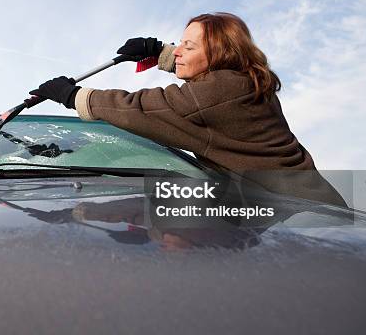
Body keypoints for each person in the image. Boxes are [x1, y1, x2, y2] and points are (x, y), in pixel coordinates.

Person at [30, 12, 346, 207]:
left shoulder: (213, 95)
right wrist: (158, 51)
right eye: (177, 43)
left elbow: (138, 109)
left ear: (221, 54)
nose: (177, 50)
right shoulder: (246, 81)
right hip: (315, 206)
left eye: (188, 47)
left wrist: (72, 95)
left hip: (297, 218)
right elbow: (202, 76)